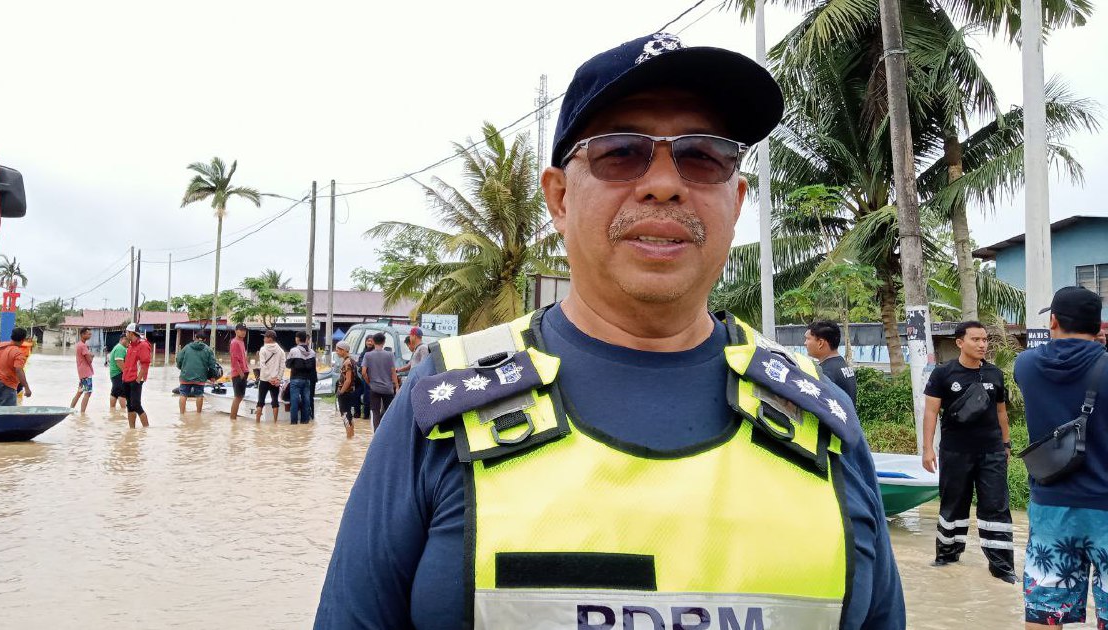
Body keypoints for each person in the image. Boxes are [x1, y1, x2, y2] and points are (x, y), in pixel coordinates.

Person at [316, 33, 904, 628]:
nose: (666, 183)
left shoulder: (821, 417)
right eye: (622, 152)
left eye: (703, 156)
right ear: (560, 197)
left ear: (737, 198)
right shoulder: (443, 401)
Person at [1015, 286, 1108, 629]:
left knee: (1044, 613)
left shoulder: (1025, 366)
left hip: (1052, 506)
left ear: (1053, 321)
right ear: (1100, 327)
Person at [921, 320, 1015, 582]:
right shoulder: (943, 374)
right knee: (953, 505)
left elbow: (1001, 413)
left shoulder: (995, 374)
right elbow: (930, 412)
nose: (982, 344)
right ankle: (947, 557)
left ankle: (1002, 567)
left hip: (992, 452)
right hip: (955, 452)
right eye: (976, 339)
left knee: (996, 507)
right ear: (960, 342)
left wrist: (1006, 444)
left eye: (985, 340)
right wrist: (927, 449)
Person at [805, 320, 858, 404]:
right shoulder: (843, 365)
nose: (805, 343)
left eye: (808, 339)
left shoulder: (825, 372)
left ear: (820, 343)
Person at [0, 327, 32, 407]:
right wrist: (27, 388)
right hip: (6, 385)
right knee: (7, 413)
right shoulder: (19, 353)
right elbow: (19, 370)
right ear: (23, 340)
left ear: (11, 336)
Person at [360, 332, 398, 431]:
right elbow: (393, 372)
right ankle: (386, 433)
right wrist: (397, 387)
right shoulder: (390, 355)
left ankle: (376, 434)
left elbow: (363, 372)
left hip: (374, 388)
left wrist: (369, 383)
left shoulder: (368, 355)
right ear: (384, 342)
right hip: (388, 388)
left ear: (373, 342)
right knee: (388, 411)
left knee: (375, 412)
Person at [176, 330, 215, 414]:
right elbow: (212, 365)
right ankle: (198, 414)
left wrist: (181, 368)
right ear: (205, 340)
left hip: (186, 375)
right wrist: (212, 376)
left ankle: (182, 414)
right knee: (199, 395)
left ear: (195, 338)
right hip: (200, 377)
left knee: (183, 394)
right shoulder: (208, 350)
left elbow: (178, 359)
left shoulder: (186, 347)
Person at [121, 323, 151, 428]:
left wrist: (138, 379)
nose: (125, 334)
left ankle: (146, 429)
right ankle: (132, 430)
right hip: (127, 378)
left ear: (131, 333)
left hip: (136, 379)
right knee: (129, 406)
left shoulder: (143, 345)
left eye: (127, 332)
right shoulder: (130, 345)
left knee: (136, 405)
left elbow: (145, 363)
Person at [286, 331, 317, 424]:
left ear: (298, 339)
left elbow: (287, 364)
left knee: (294, 401)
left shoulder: (294, 351)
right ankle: (305, 422)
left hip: (295, 379)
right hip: (307, 380)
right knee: (306, 401)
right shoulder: (312, 352)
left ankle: (294, 423)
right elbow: (313, 367)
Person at [255, 329, 286, 423]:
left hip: (265, 379)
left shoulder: (263, 349)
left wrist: (269, 378)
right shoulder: (281, 350)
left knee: (260, 401)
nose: (264, 338)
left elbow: (263, 366)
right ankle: (275, 423)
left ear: (270, 339)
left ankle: (257, 423)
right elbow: (283, 365)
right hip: (275, 380)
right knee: (275, 401)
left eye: (265, 337)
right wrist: (278, 378)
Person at [333, 341, 357, 439]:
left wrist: (341, 392)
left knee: (345, 415)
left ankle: (349, 437)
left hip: (346, 393)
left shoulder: (347, 362)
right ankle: (351, 436)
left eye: (338, 350)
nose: (336, 352)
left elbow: (348, 380)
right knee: (349, 415)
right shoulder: (351, 360)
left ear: (343, 350)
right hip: (350, 392)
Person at [69, 327, 94, 413]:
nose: (90, 335)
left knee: (80, 392)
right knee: (88, 393)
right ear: (83, 334)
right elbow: (89, 361)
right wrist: (92, 355)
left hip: (82, 372)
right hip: (86, 372)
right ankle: (82, 413)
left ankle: (70, 409)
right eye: (88, 334)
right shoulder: (83, 346)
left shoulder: (79, 344)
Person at [230, 323, 249, 420]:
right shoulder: (235, 342)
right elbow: (234, 360)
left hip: (243, 372)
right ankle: (233, 419)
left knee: (240, 397)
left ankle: (234, 419)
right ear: (236, 331)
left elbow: (242, 358)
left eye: (244, 330)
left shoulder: (241, 342)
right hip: (238, 373)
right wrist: (241, 373)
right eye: (241, 330)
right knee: (237, 397)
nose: (243, 332)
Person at [108, 333, 129, 410]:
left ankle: (112, 410)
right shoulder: (120, 348)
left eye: (129, 340)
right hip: (118, 373)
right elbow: (119, 362)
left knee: (114, 392)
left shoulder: (117, 347)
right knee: (122, 393)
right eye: (126, 339)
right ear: (121, 339)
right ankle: (123, 411)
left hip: (114, 373)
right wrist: (126, 373)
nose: (128, 342)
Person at [357, 336, 376, 419]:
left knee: (369, 396)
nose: (369, 343)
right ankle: (363, 414)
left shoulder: (375, 352)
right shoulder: (363, 352)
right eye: (368, 341)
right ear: (365, 342)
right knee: (362, 395)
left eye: (371, 341)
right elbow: (359, 363)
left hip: (373, 377)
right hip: (364, 377)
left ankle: (368, 415)